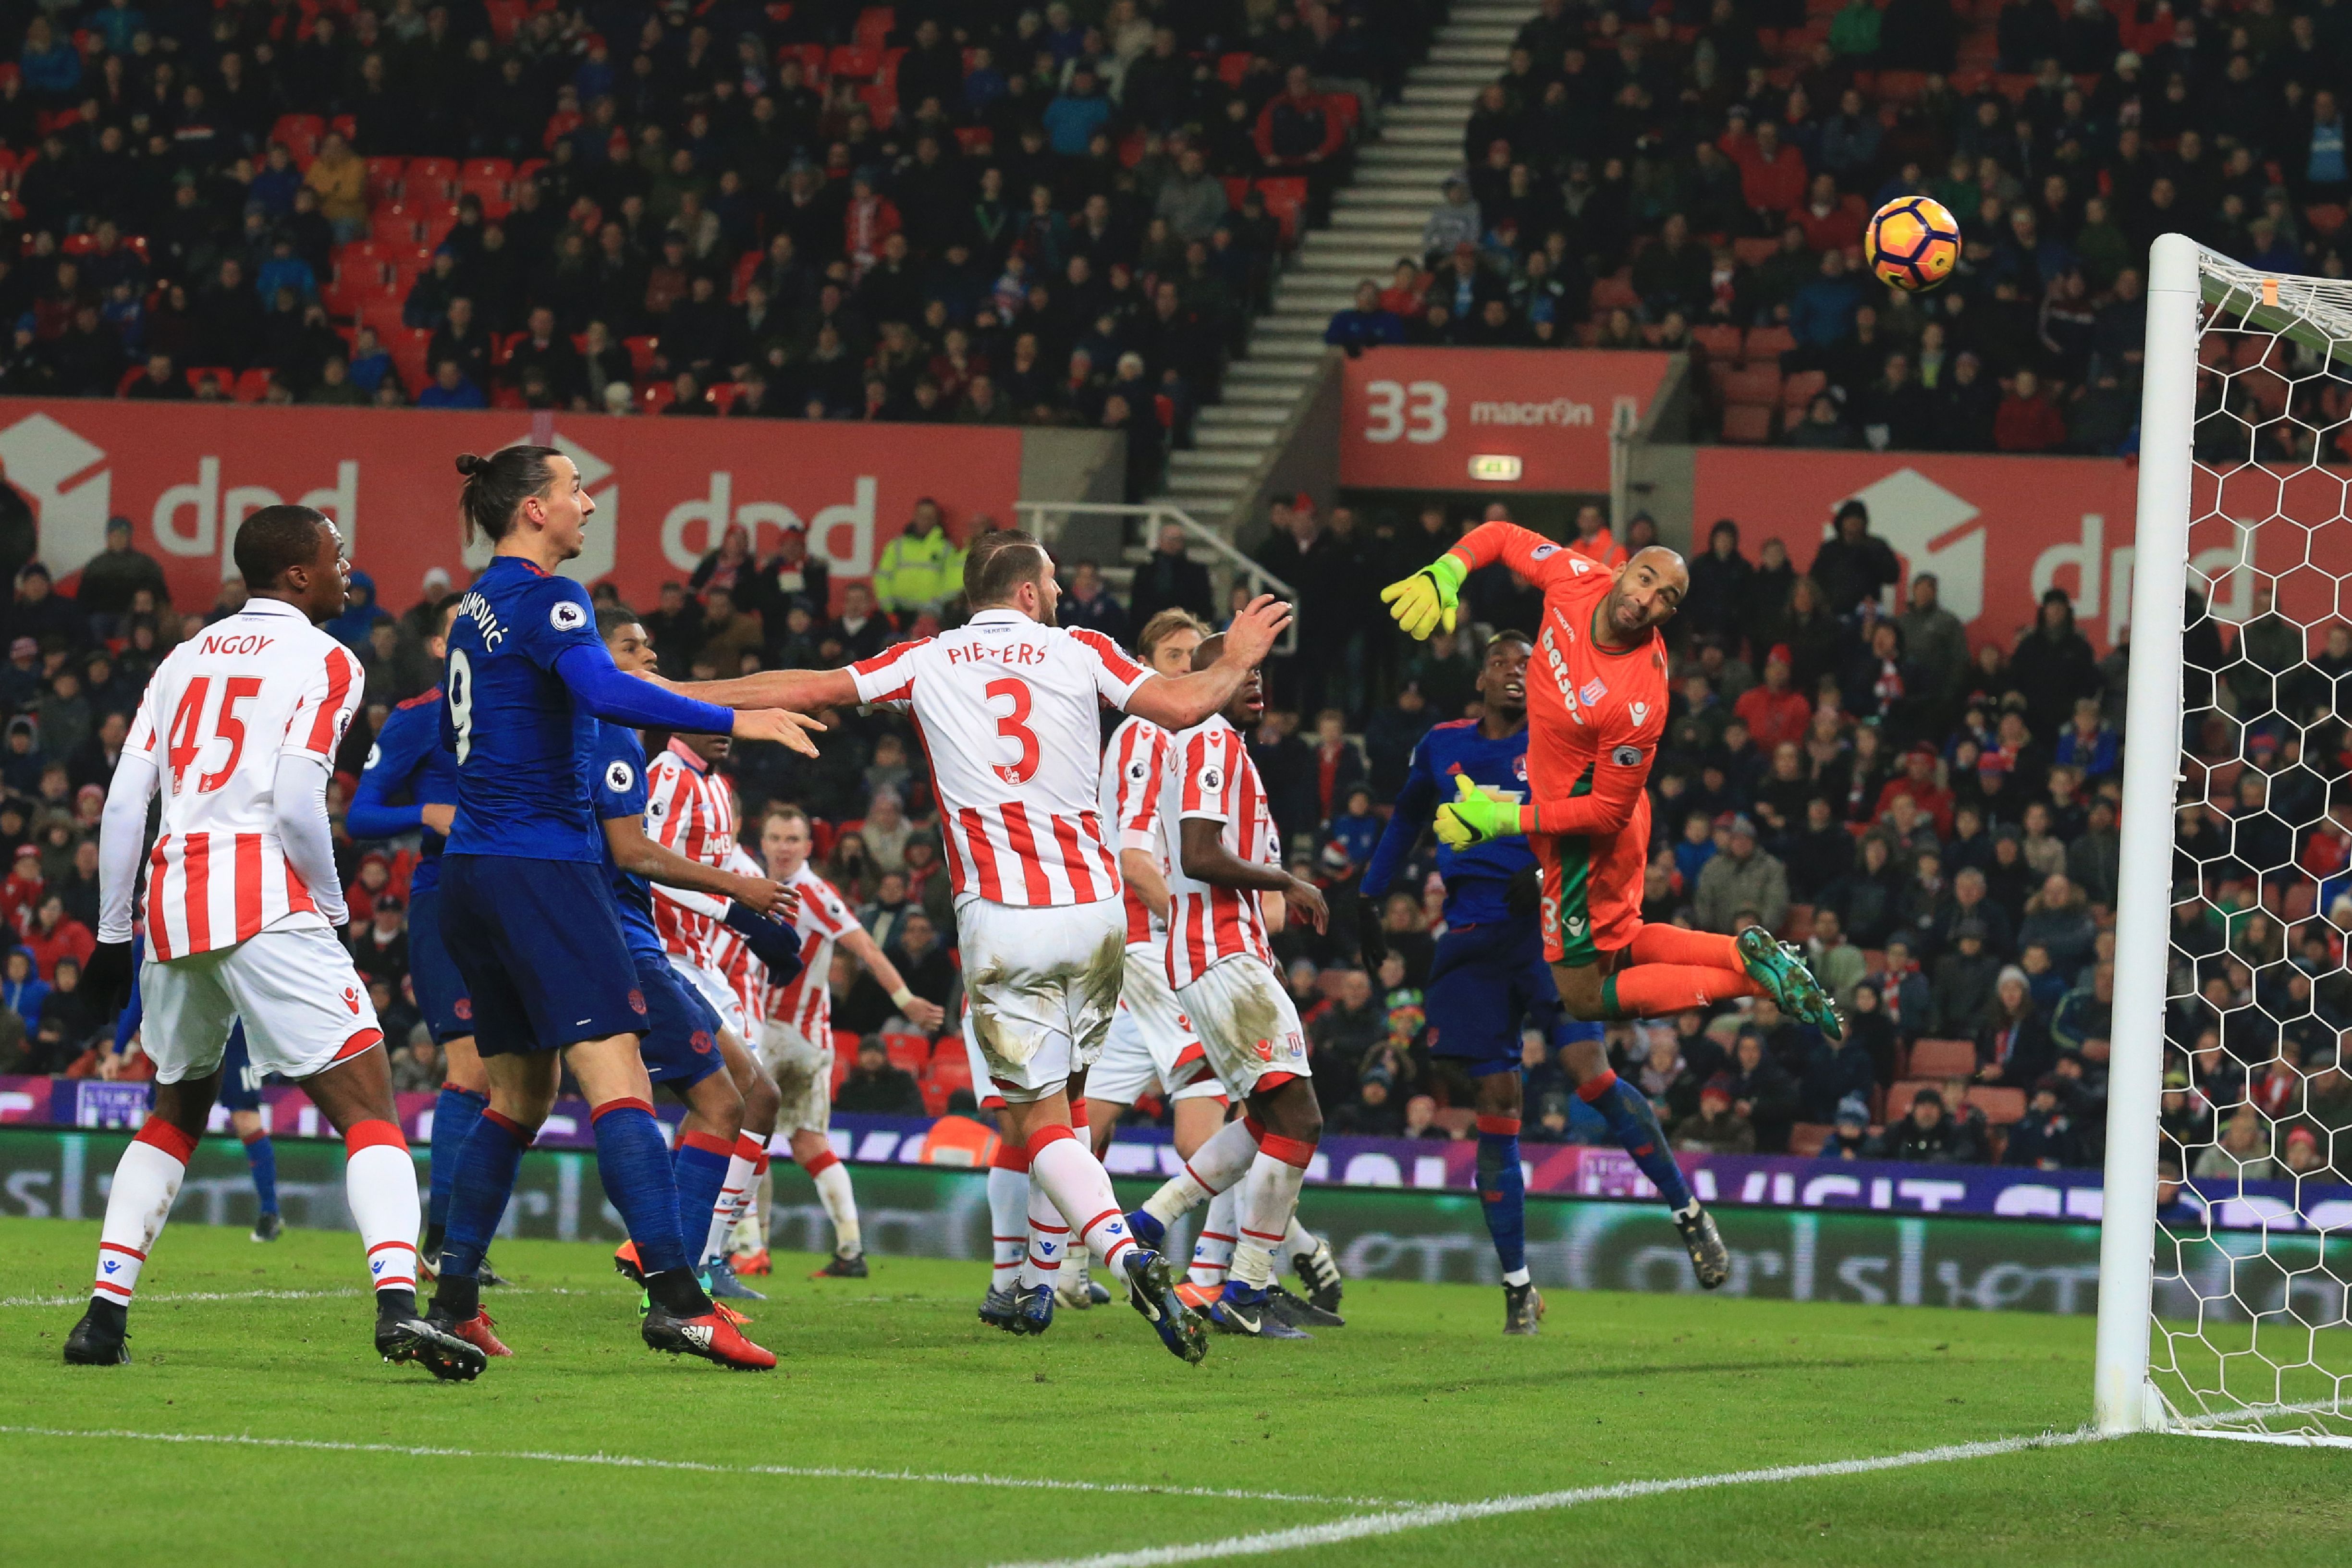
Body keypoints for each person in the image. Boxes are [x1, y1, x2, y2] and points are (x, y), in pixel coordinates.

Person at [712, 528, 1293, 1359]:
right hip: (1096, 915)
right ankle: (1033, 1278)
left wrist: (672, 690)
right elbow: (1181, 705)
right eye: (1052, 580)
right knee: (1073, 1092)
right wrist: (1232, 657)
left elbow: (809, 685)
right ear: (1026, 592)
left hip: (1004, 915)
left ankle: (1119, 1256)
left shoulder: (928, 658)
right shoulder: (1083, 648)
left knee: (1039, 1117)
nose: (1059, 593)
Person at [421, 445, 816, 1373]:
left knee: (519, 1094)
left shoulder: (476, 608)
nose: (588, 501)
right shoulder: (556, 599)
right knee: (621, 1081)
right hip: (543, 866)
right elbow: (601, 691)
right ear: (531, 510)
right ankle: (679, 1298)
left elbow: (458, 734)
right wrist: (737, 718)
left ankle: (453, 1296)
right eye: (572, 488)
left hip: (472, 868)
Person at [66, 505, 483, 1380]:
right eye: (337, 556)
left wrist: (114, 931)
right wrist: (329, 906)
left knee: (175, 1109)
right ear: (298, 574)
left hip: (174, 904)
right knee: (370, 1105)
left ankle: (103, 1314)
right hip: (264, 897)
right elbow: (297, 797)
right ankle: (399, 1305)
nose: (347, 568)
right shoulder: (328, 657)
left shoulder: (182, 658)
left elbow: (123, 802)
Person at [1361, 629, 1730, 1323]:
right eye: (1498, 661)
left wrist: (1542, 874)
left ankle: (1687, 1212)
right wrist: (1367, 894)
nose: (1511, 672)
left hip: (1551, 929)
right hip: (1472, 939)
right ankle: (1518, 1288)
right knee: (1497, 1101)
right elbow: (1408, 812)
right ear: (1479, 677)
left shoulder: (1564, 744)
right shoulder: (1442, 743)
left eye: (1524, 665)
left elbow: (1601, 823)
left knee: (1589, 1069)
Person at [1380, 524, 1839, 1032]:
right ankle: (1742, 954)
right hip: (1580, 807)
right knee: (1624, 940)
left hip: (1586, 835)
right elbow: (1503, 537)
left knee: (1585, 996)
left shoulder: (1638, 698)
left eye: (1666, 598)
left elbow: (1606, 812)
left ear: (1671, 614)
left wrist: (1502, 820)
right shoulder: (1577, 577)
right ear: (1619, 570)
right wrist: (1451, 568)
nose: (1646, 600)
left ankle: (1756, 983)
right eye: (1645, 579)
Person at [1117, 630, 1335, 1340]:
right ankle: (1246, 1288)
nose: (1255, 682)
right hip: (1218, 954)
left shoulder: (1223, 746)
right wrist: (1288, 880)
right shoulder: (1209, 739)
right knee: (1300, 1121)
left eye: (1258, 671)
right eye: (1238, 670)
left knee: (1268, 1120)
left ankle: (1150, 1222)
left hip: (1219, 954)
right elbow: (1203, 854)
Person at [591, 609, 802, 1309]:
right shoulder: (666, 776)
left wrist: (758, 919)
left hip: (703, 962)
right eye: (709, 714)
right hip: (670, 957)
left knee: (746, 1099)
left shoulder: (712, 786)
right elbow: (649, 863)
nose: (723, 728)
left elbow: (718, 860)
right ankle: (691, 1262)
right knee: (744, 1096)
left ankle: (686, 1256)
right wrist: (742, 911)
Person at [345, 593, 506, 1286]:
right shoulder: (417, 719)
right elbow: (360, 814)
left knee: (510, 1081)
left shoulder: (516, 717)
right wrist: (427, 811)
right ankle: (443, 1242)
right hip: (448, 904)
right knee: (470, 1071)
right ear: (442, 649)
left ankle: (461, 1241)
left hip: (517, 905)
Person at [748, 802, 944, 1280]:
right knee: (809, 1143)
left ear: (809, 847)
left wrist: (906, 999)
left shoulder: (813, 893)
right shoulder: (756, 885)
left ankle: (751, 1247)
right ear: (764, 843)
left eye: (793, 840)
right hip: (790, 1038)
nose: (783, 848)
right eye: (776, 838)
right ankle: (850, 1250)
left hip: (786, 1035)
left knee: (746, 1135)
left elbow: (867, 948)